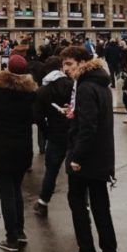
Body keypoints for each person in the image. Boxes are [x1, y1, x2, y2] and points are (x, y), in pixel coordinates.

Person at [61, 46, 119, 252]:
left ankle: (86, 251)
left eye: (69, 64)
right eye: (64, 64)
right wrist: (73, 113)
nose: (65, 69)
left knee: (77, 202)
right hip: (102, 155)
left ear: (82, 62)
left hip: (86, 157)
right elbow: (92, 118)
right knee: (100, 205)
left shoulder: (85, 87)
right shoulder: (100, 83)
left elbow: (88, 127)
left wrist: (76, 156)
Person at [0, 56, 37, 252]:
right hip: (22, 148)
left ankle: (11, 237)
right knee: (16, 191)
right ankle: (20, 232)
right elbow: (35, 117)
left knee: (6, 193)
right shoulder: (31, 92)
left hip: (1, 147)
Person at [33, 57, 74, 217]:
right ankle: (83, 205)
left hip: (55, 133)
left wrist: (46, 131)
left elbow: (37, 116)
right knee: (76, 170)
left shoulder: (44, 90)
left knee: (51, 170)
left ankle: (43, 202)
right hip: (72, 131)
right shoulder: (73, 86)